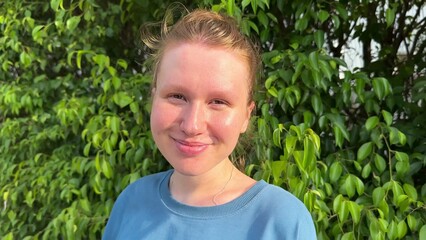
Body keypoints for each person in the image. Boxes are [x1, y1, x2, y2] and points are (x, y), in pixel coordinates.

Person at [102, 7, 316, 240]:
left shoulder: (281, 221)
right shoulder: (132, 202)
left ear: (246, 116)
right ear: (154, 98)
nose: (192, 126)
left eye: (218, 101)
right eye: (177, 96)